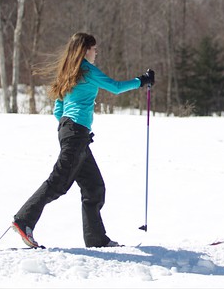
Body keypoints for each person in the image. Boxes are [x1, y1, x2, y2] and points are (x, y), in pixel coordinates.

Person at [12, 32, 155, 248]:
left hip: (72, 132)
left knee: (94, 188)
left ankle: (96, 239)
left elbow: (58, 109)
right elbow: (115, 87)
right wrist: (142, 81)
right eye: (94, 48)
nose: (96, 52)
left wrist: (72, 129)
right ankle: (24, 220)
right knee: (58, 182)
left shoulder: (69, 71)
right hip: (76, 133)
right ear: (85, 50)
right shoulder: (87, 70)